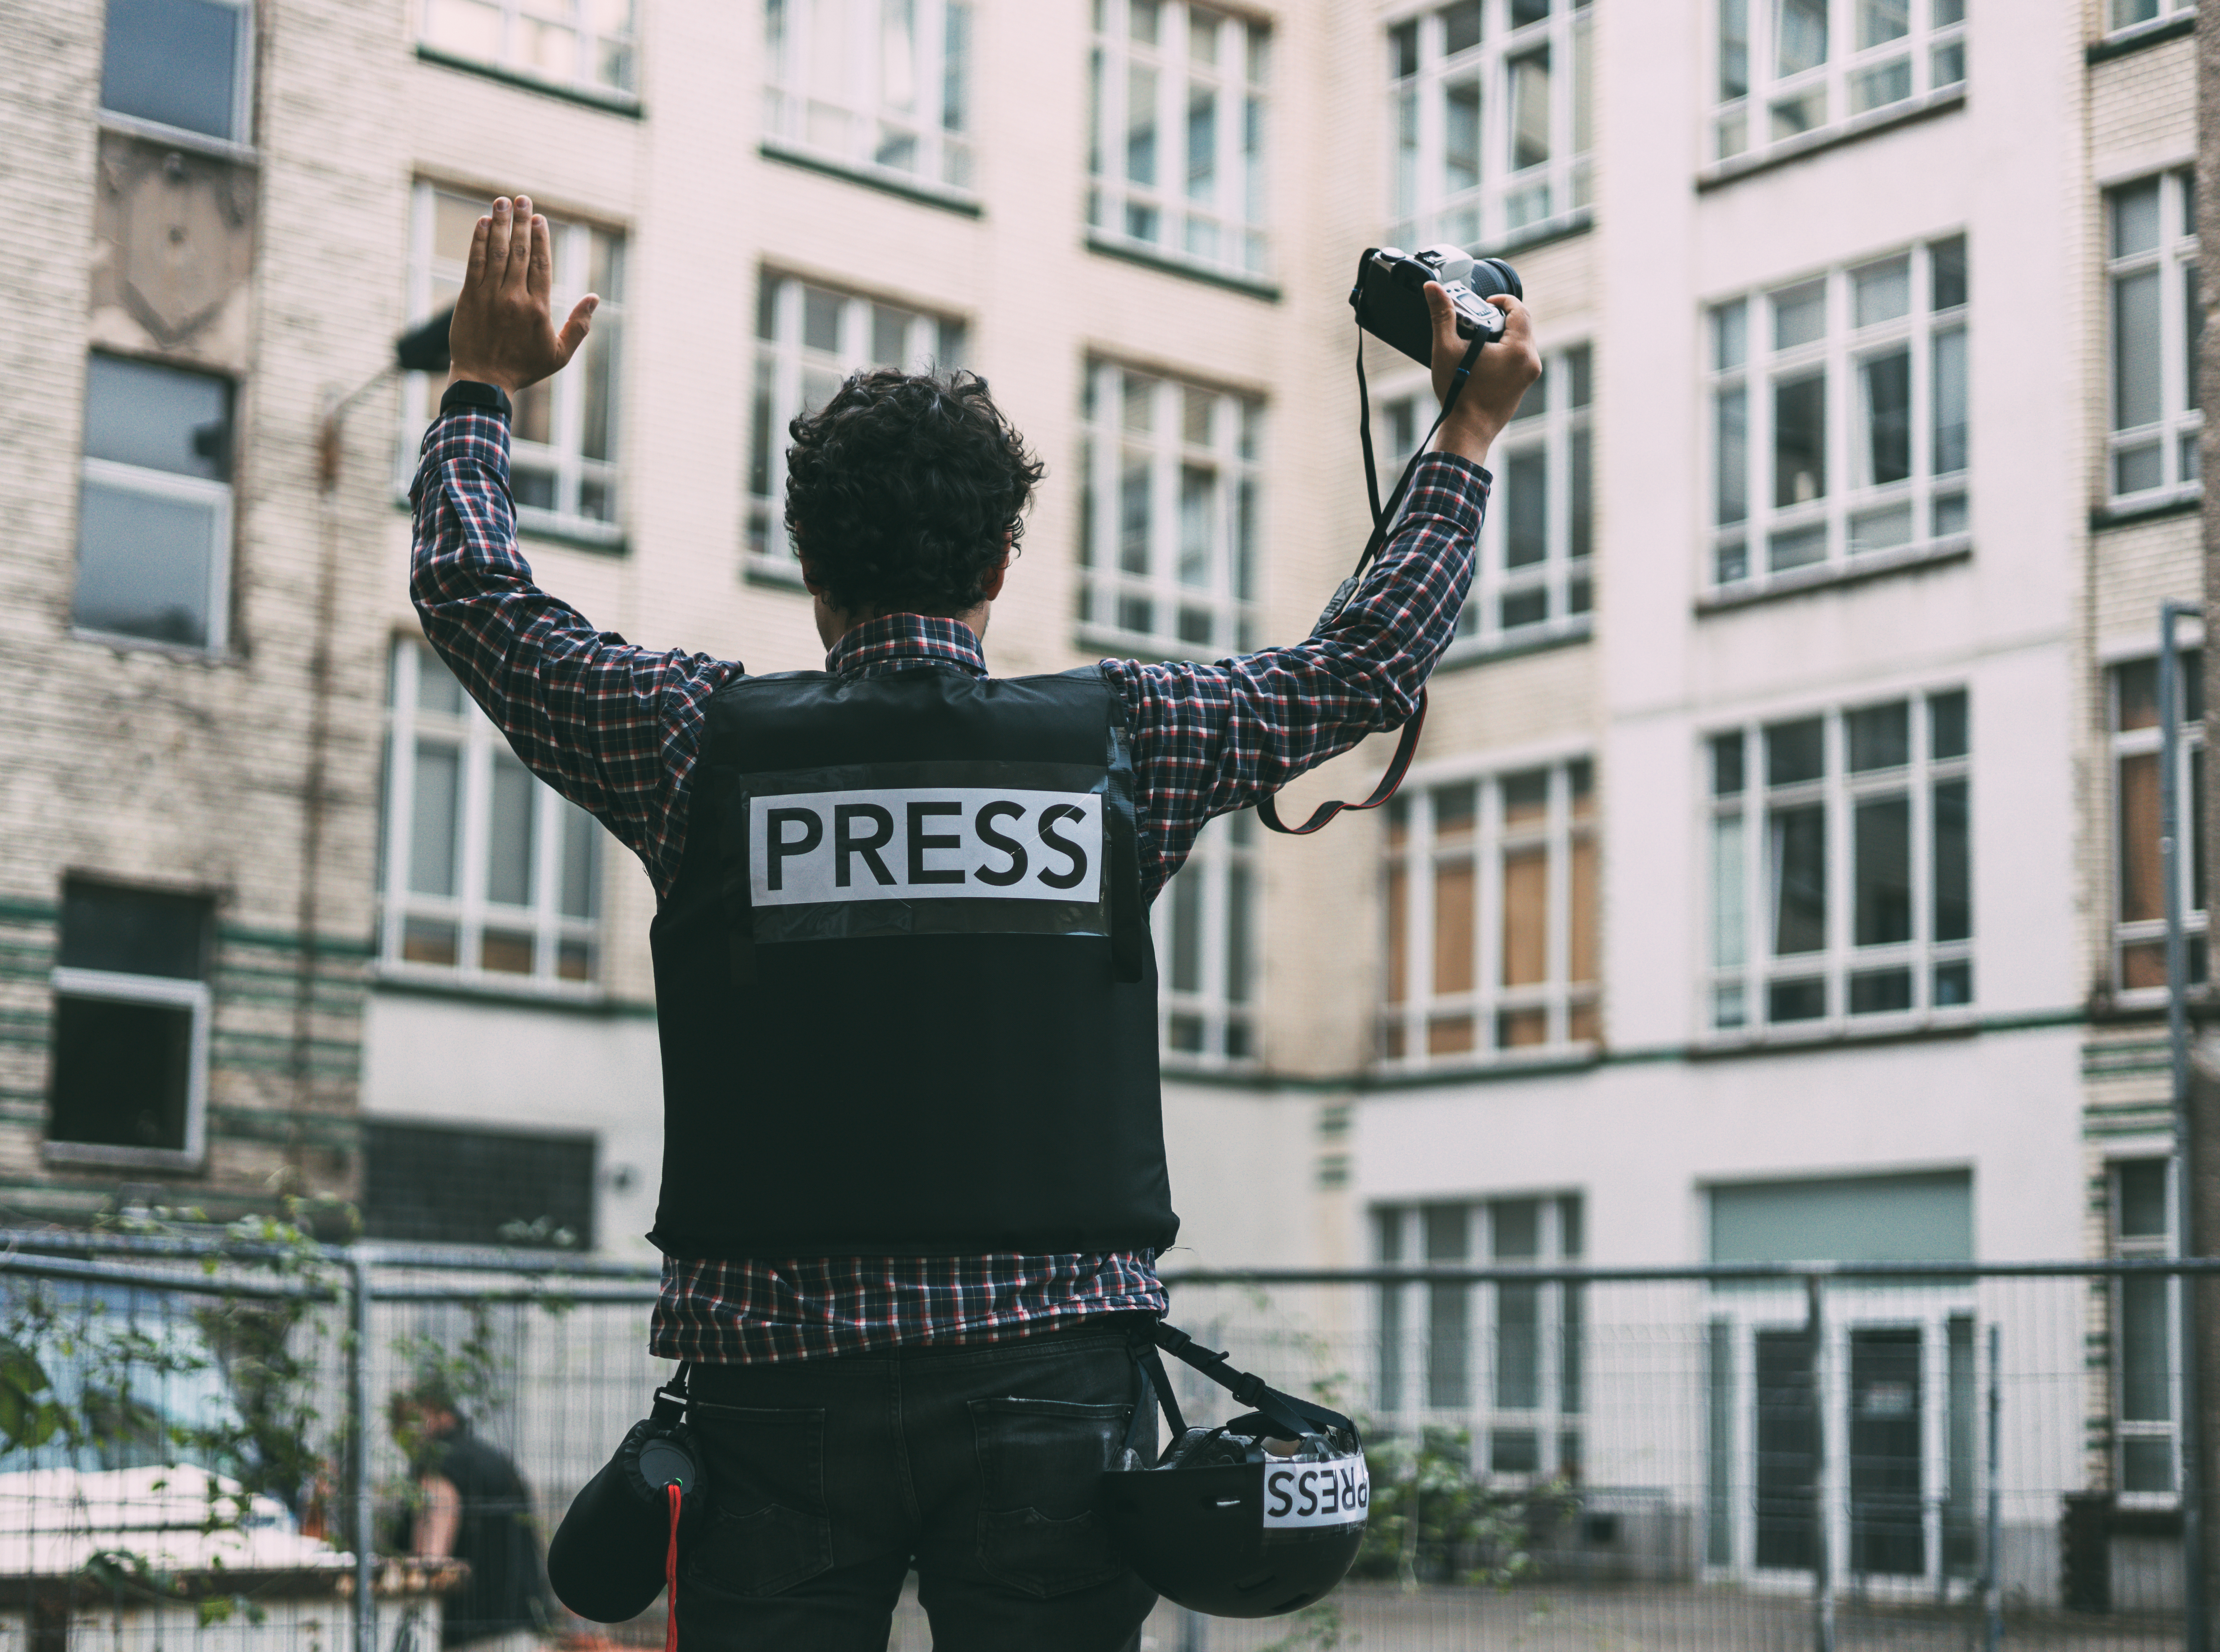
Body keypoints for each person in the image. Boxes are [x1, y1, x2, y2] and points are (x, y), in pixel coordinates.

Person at [411, 197, 1539, 1651]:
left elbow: (474, 593)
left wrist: (480, 392)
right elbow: (1367, 658)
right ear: (1004, 559)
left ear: (806, 562)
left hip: (773, 1397)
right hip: (1053, 1389)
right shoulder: (1133, 735)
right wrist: (1464, 431)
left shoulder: (690, 739)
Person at [390, 1379, 552, 1652]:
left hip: (473, 1639)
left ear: (432, 1410)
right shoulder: (495, 1459)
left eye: (401, 1419)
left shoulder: (440, 1466)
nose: (396, 1432)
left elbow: (428, 1563)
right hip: (525, 1632)